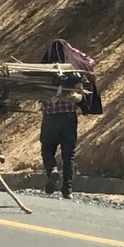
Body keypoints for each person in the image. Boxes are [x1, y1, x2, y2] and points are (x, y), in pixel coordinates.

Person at [40, 39, 98, 199]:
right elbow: (91, 61)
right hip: (69, 117)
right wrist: (72, 50)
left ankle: (52, 170)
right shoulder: (73, 69)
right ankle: (68, 190)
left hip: (50, 116)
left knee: (47, 148)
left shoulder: (44, 68)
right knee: (68, 154)